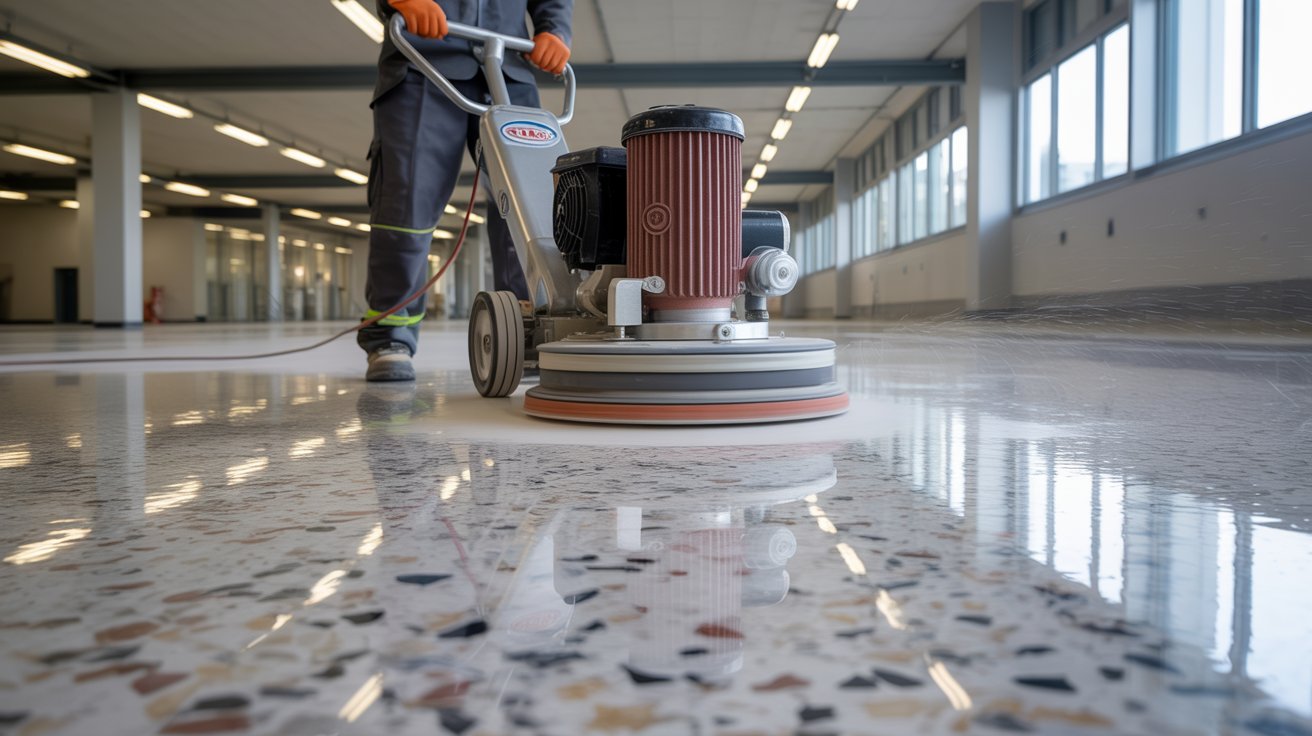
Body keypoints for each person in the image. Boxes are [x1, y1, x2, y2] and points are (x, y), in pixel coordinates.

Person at [361, 0, 573, 382]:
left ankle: (527, 330)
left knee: (530, 208)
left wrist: (556, 30)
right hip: (422, 57)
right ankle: (390, 336)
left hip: (510, 65)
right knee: (407, 201)